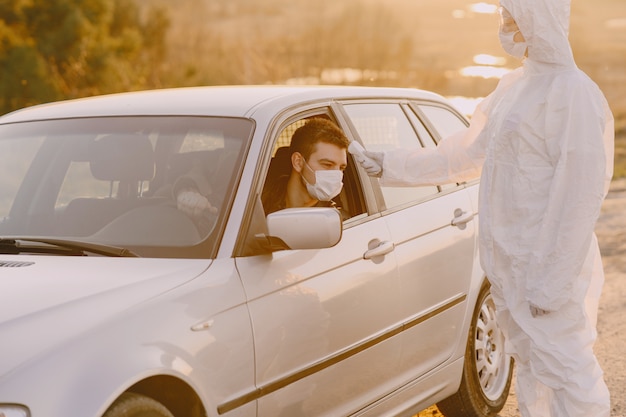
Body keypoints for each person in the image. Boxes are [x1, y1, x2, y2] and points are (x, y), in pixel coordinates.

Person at [357, 0, 614, 416]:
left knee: (569, 374)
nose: (504, 24)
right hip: (511, 269)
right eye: (503, 15)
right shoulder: (513, 88)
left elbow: (579, 196)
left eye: (512, 15)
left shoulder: (573, 93)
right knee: (533, 370)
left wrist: (551, 282)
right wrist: (388, 164)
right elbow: (462, 155)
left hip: (548, 274)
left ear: (539, 17)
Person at [262, 117, 349, 216]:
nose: (336, 175)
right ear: (298, 162)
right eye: (327, 165)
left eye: (341, 168)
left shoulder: (336, 220)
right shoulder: (257, 201)